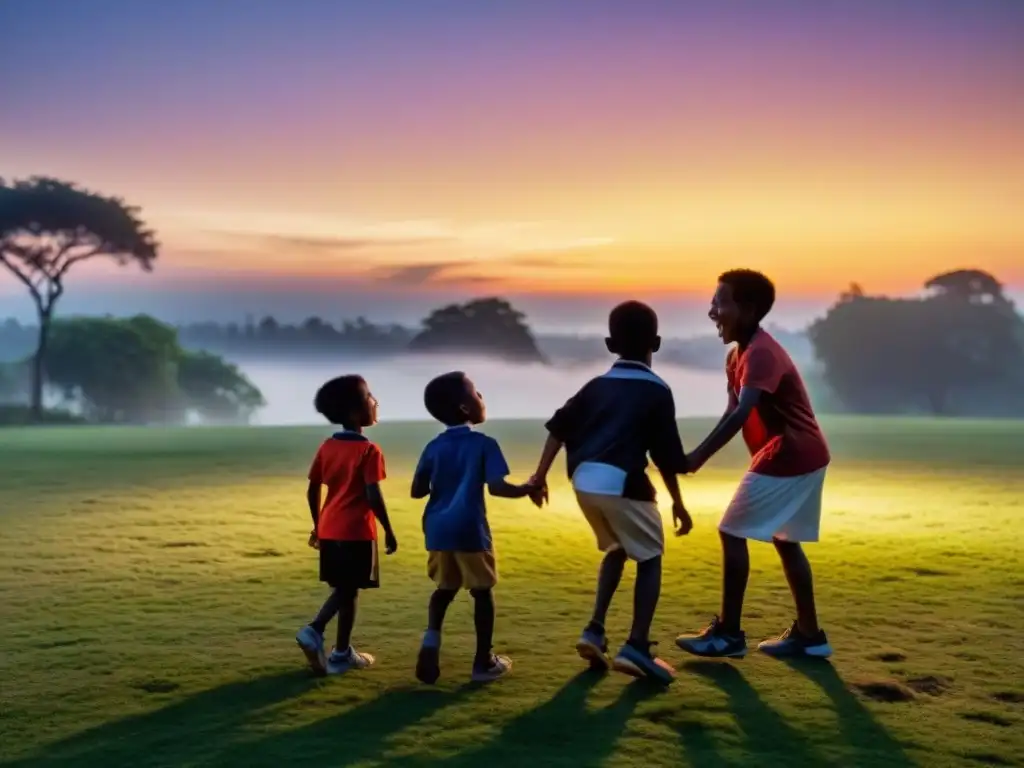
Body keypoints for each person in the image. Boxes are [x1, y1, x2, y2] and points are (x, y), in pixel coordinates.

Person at [530, 301, 692, 685]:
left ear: (608, 343)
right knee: (650, 557)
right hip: (623, 482)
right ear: (657, 341)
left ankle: (595, 630)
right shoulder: (658, 391)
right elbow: (667, 458)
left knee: (618, 549)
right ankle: (636, 646)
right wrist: (679, 503)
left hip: (583, 480)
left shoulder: (595, 386)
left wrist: (539, 477)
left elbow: (557, 428)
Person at [676, 269, 833, 659]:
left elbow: (741, 413)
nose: (712, 311)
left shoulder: (761, 353)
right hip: (805, 453)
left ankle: (729, 634)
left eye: (720, 302)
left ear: (747, 309)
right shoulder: (738, 355)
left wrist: (697, 457)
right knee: (786, 539)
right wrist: (696, 454)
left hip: (790, 452)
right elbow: (733, 408)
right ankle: (810, 636)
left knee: (731, 531)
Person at [412, 371, 543, 684]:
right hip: (470, 529)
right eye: (476, 393)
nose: (482, 396)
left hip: (437, 529)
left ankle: (431, 640)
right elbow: (497, 488)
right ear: (465, 409)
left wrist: (443, 478)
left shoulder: (433, 446)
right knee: (482, 592)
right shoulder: (484, 444)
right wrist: (528, 487)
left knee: (444, 589)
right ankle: (483, 662)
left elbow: (417, 490)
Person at [295, 375, 398, 675]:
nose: (375, 402)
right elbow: (373, 494)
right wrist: (389, 530)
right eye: (369, 398)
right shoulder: (369, 450)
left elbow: (313, 489)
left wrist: (318, 526)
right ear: (355, 413)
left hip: (330, 528)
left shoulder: (327, 446)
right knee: (349, 587)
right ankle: (314, 629)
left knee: (347, 589)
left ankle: (341, 653)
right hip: (356, 530)